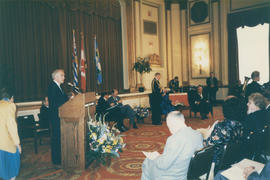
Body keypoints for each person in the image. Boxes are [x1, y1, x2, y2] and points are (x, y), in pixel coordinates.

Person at [141, 111, 203, 180]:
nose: (170, 130)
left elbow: (163, 165)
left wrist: (156, 157)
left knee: (147, 162)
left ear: (172, 124)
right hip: (190, 174)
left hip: (174, 176)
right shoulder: (198, 135)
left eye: (169, 126)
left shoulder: (173, 139)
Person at [203, 96, 244, 173]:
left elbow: (207, 144)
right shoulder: (240, 125)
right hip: (231, 159)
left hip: (217, 162)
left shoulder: (221, 127)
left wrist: (204, 136)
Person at [47, 69, 69, 165]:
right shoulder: (52, 87)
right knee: (56, 138)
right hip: (56, 117)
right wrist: (66, 101)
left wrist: (70, 99)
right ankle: (56, 160)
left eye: (64, 75)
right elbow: (55, 102)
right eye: (62, 75)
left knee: (60, 138)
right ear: (55, 76)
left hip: (60, 116)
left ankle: (60, 157)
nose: (64, 77)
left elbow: (63, 99)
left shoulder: (58, 87)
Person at [0, 88, 21, 180]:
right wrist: (17, 144)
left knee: (3, 169)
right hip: (6, 144)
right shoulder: (10, 105)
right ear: (11, 98)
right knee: (12, 170)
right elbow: (12, 126)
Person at [243, 93, 270, 159]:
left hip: (254, 152)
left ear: (257, 105)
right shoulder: (267, 114)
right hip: (266, 148)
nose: (247, 104)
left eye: (249, 103)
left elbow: (245, 137)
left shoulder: (251, 118)